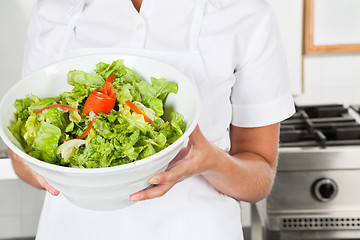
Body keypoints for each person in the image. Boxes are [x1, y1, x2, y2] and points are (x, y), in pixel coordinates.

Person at [10, 0, 295, 239]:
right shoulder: (55, 8)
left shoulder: (245, 12)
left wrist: (211, 161)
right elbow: (20, 153)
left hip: (195, 231)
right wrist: (42, 168)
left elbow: (259, 179)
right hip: (73, 231)